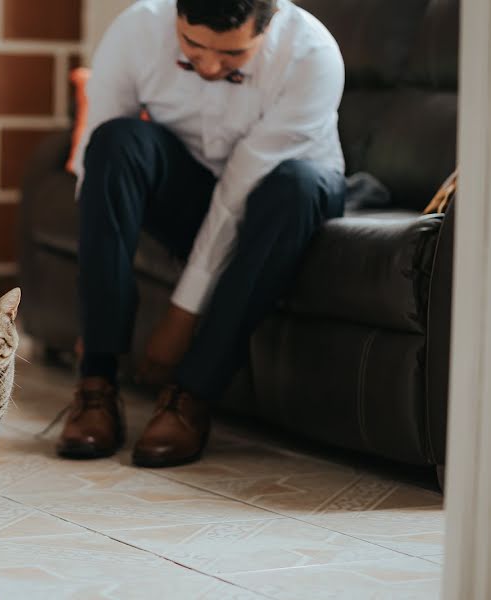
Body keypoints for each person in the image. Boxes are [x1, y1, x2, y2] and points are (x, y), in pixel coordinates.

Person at [56, 0, 346, 467]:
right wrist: (96, 302)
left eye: (232, 55)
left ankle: (190, 395)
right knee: (115, 142)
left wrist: (181, 313)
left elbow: (238, 193)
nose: (208, 65)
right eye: (192, 44)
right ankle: (96, 383)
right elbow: (97, 162)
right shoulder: (136, 30)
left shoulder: (312, 56)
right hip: (191, 186)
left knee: (294, 187)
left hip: (282, 202)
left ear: (268, 26)